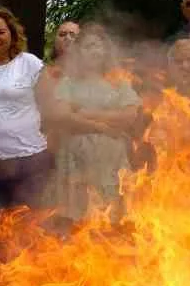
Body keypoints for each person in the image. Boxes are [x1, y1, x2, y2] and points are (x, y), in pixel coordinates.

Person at [41, 24, 143, 221]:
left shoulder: (118, 82)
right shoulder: (68, 83)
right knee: (78, 218)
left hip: (111, 156)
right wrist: (102, 126)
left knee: (111, 215)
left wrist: (86, 112)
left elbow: (129, 115)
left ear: (105, 50)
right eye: (87, 47)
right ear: (79, 52)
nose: (94, 51)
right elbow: (63, 116)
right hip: (76, 156)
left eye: (97, 45)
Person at [0, 6, 54, 215]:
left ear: (12, 34)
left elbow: (51, 106)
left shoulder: (30, 64)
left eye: (0, 32)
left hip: (29, 161)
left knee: (30, 228)